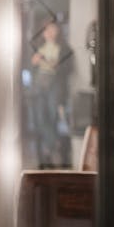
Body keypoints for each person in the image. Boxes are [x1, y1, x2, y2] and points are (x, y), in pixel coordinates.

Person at [29, 17, 73, 166]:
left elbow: (68, 69)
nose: (49, 32)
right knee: (41, 117)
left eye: (52, 29)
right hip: (39, 84)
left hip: (55, 84)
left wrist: (56, 65)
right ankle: (54, 144)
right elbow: (28, 68)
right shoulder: (37, 46)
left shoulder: (64, 48)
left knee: (53, 116)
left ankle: (51, 149)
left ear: (58, 30)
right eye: (46, 30)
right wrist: (33, 63)